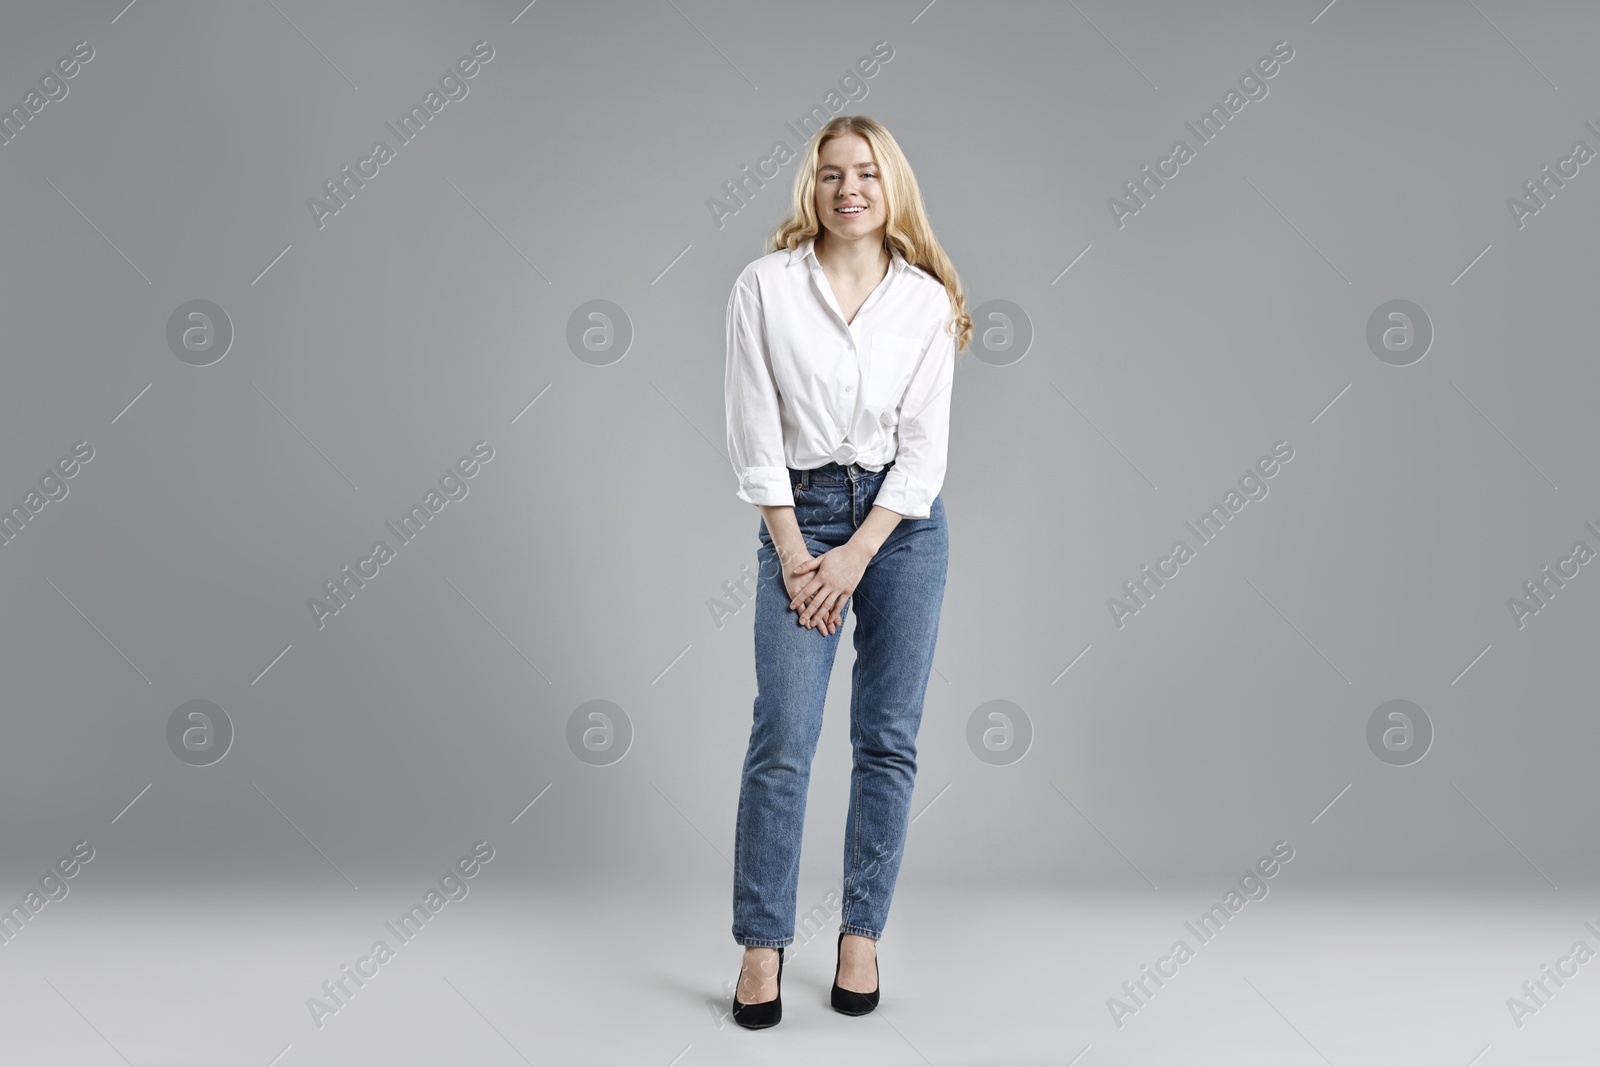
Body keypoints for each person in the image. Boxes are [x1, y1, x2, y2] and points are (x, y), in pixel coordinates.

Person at [722, 114, 971, 1029]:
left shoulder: (927, 300)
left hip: (900, 530)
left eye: (866, 172)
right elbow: (752, 434)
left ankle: (860, 933)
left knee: (888, 738)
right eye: (831, 174)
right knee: (784, 732)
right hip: (802, 510)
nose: (849, 188)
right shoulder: (763, 289)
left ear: (890, 184)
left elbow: (924, 456)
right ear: (811, 188)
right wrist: (796, 552)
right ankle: (761, 942)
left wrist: (857, 553)